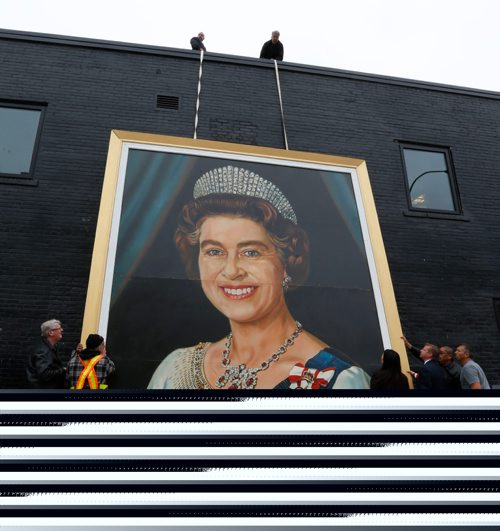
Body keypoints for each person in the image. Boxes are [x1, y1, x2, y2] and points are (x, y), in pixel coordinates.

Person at [148, 165, 370, 390]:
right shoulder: (175, 368)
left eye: (251, 252)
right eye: (214, 251)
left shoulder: (338, 381)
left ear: (286, 262)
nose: (232, 270)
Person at [26, 319, 66, 388]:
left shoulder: (48, 347)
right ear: (51, 333)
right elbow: (45, 374)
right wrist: (63, 370)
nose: (62, 330)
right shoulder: (44, 350)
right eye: (59, 328)